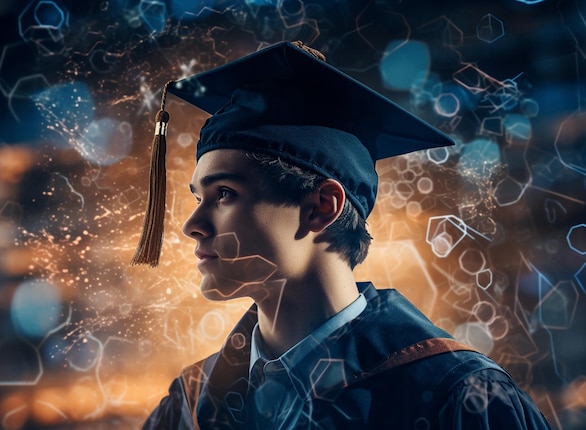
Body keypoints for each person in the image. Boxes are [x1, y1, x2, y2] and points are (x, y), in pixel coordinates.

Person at [135, 41, 551, 429]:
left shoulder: (458, 396)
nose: (192, 225)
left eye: (225, 193)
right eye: (197, 197)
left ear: (321, 207)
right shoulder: (192, 403)